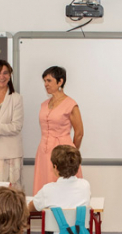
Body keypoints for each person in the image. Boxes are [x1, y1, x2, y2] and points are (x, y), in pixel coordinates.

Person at [33, 66, 84, 194]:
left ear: (60, 82)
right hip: (43, 152)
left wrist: (71, 155)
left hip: (62, 152)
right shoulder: (44, 104)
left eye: (49, 81)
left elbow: (79, 133)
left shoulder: (71, 104)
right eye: (44, 81)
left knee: (61, 190)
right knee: (44, 189)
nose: (45, 84)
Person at [29, 144, 91, 234]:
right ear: (78, 166)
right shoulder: (85, 185)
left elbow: (31, 208)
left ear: (55, 167)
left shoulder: (47, 190)